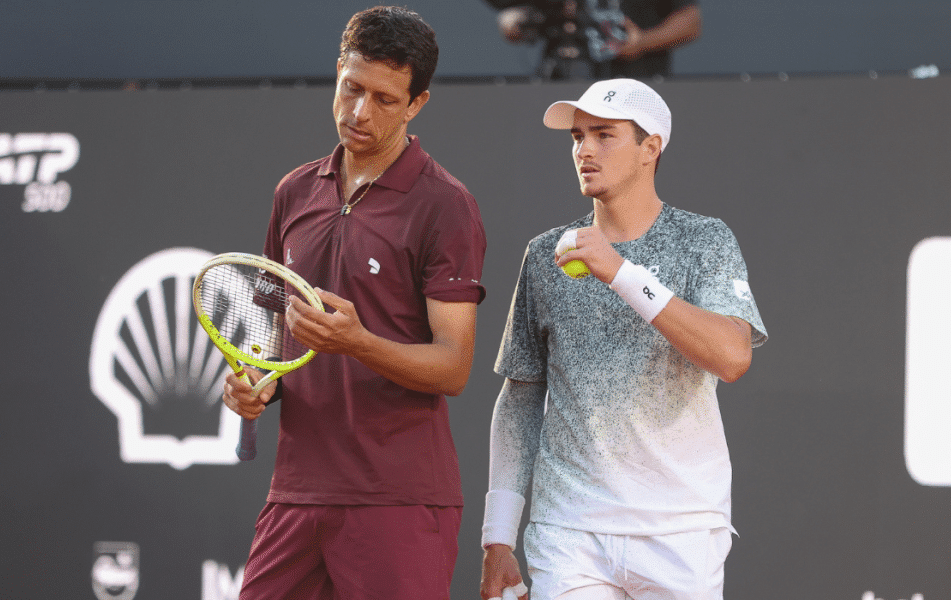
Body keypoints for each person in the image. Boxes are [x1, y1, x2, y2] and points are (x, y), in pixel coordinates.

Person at [221, 6, 487, 599]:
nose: (360, 112)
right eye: (352, 88)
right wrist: (253, 384)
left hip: (398, 499)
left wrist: (357, 342)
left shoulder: (446, 205)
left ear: (417, 104)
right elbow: (268, 344)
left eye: (385, 99)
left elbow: (453, 367)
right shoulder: (293, 192)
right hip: (295, 494)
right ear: (338, 71)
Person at [479, 78, 766, 600]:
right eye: (577, 137)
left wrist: (621, 273)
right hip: (568, 529)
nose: (584, 149)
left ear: (650, 149)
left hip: (681, 528)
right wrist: (497, 536)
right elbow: (520, 396)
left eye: (604, 135)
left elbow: (732, 357)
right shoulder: (545, 254)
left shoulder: (705, 239)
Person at [494, 0, 701, 79]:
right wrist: (521, 22)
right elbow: (516, 20)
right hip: (564, 78)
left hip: (634, 82)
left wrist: (642, 42)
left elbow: (690, 22)